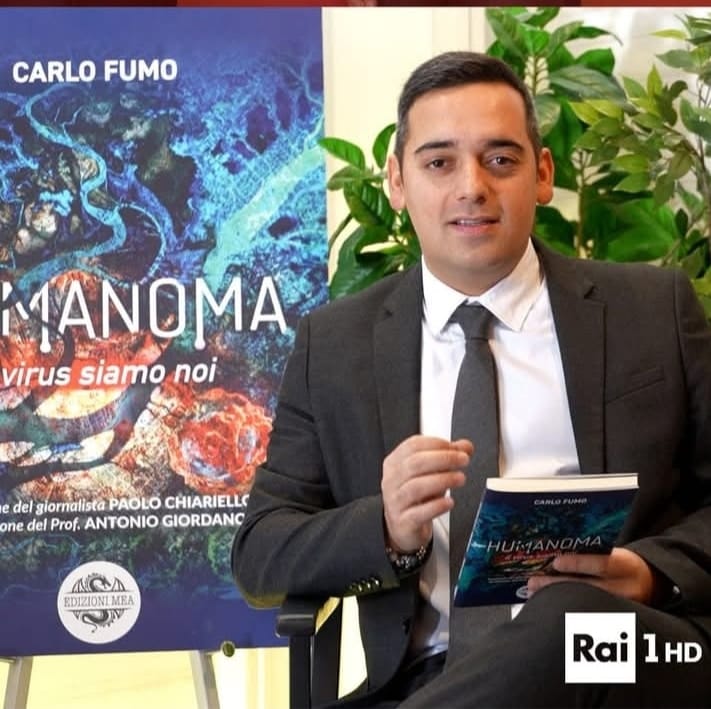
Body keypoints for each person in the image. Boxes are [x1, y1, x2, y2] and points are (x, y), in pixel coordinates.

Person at [232, 51, 711, 707]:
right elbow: (260, 553)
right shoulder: (336, 345)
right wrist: (386, 528)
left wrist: (648, 572)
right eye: (439, 163)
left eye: (500, 159)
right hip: (433, 679)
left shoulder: (651, 310)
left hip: (629, 655)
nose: (471, 187)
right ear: (397, 182)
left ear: (542, 175)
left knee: (567, 619)